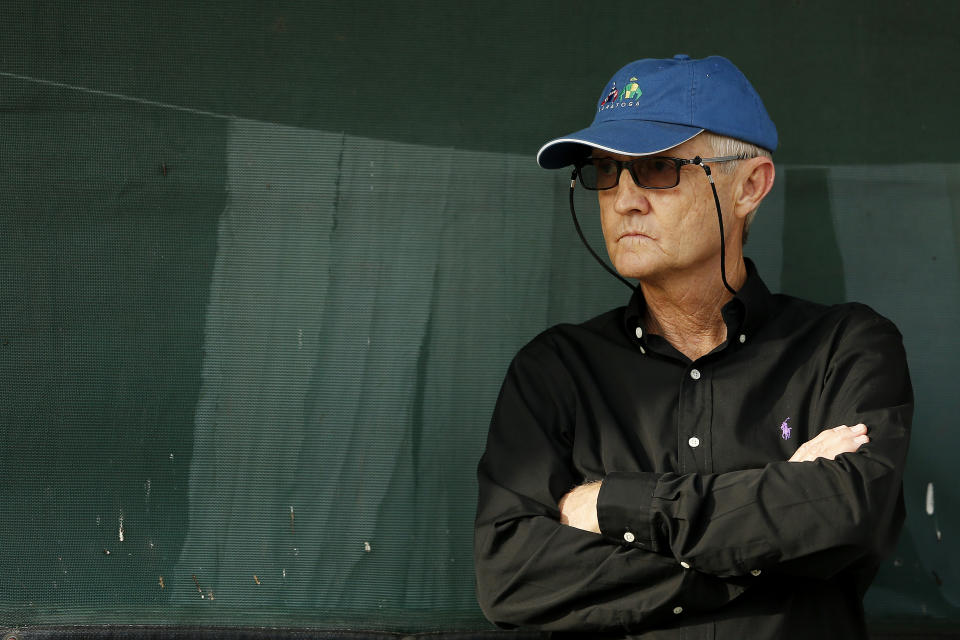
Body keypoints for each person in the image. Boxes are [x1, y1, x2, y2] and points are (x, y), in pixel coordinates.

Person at [473, 54, 912, 639]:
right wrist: (768, 547)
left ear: (750, 186)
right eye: (605, 170)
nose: (624, 197)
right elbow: (511, 576)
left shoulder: (843, 348)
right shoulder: (556, 371)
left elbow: (853, 513)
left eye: (656, 168)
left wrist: (611, 506)